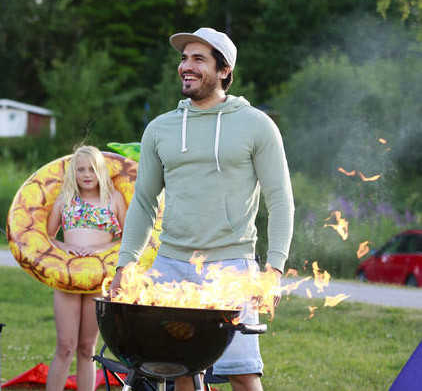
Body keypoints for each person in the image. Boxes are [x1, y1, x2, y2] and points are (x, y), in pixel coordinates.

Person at [110, 28, 294, 391]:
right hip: (170, 263)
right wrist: (125, 263)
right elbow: (144, 202)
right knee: (176, 367)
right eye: (183, 58)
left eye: (198, 59)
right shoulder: (160, 129)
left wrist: (273, 268)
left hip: (230, 265)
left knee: (242, 372)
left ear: (224, 71)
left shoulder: (257, 125)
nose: (186, 66)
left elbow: (281, 199)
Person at [45, 146, 128, 391]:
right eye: (80, 169)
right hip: (68, 277)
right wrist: (66, 245)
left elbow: (128, 237)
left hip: (98, 278)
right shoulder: (65, 199)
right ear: (74, 173)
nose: (86, 174)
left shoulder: (114, 199)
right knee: (65, 346)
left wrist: (99, 249)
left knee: (86, 348)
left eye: (92, 168)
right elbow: (48, 236)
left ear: (101, 170)